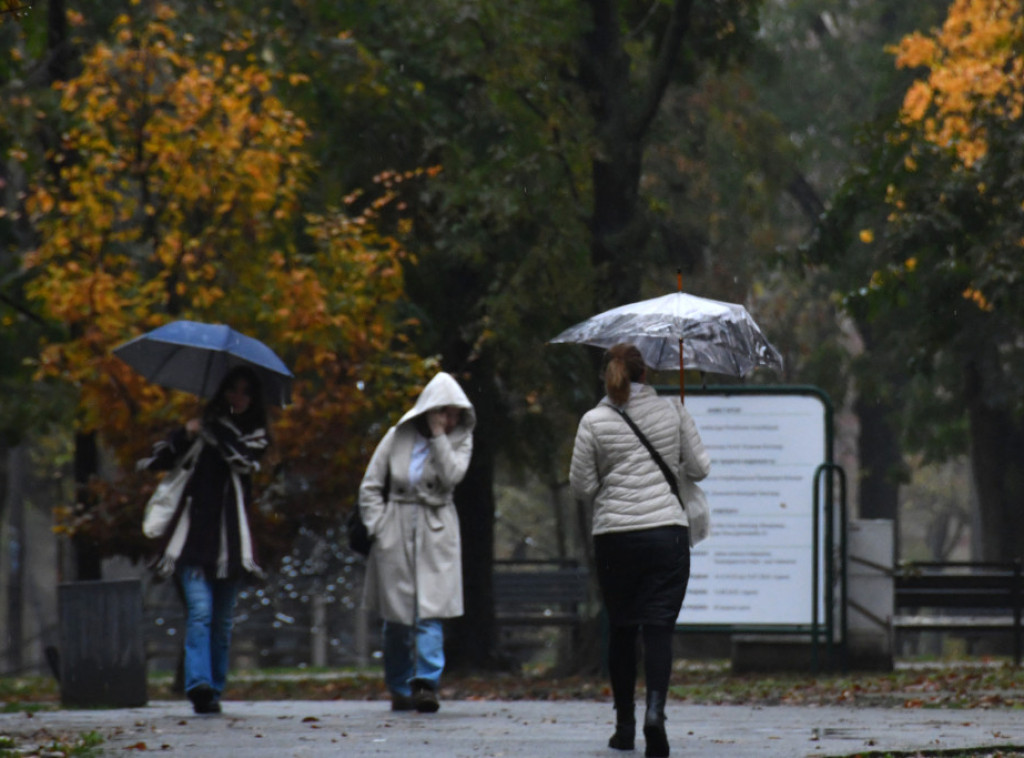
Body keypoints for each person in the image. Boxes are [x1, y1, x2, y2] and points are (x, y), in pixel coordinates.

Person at [569, 343, 710, 758]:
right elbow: (700, 468)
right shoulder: (672, 411)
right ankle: (656, 714)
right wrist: (678, 437)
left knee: (623, 629)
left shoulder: (593, 421)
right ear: (645, 373)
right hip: (666, 533)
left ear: (608, 375)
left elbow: (582, 487)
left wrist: (612, 482)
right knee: (659, 627)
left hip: (616, 537)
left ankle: (624, 726)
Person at [139, 365, 269, 715]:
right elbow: (156, 459)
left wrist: (216, 427)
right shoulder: (198, 431)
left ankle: (214, 687)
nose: (238, 397)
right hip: (190, 542)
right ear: (221, 391)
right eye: (232, 389)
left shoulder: (254, 434)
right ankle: (198, 684)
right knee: (201, 611)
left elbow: (243, 458)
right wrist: (187, 431)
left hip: (232, 546)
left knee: (222, 621)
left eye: (245, 392)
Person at [358, 371, 475, 713]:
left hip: (436, 527)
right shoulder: (398, 436)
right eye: (444, 412)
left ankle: (426, 683)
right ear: (429, 408)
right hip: (395, 527)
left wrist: (440, 436)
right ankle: (398, 685)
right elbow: (370, 485)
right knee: (396, 618)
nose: (450, 419)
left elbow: (453, 475)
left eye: (455, 413)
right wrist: (378, 527)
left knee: (431, 611)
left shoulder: (461, 439)